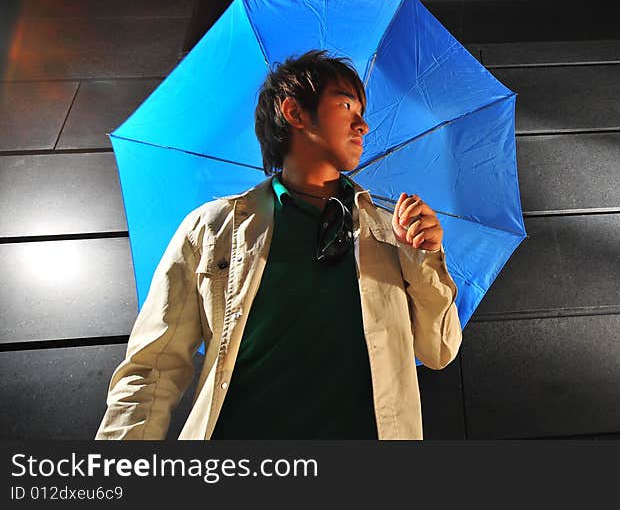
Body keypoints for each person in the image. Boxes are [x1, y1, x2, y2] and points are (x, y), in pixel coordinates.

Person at [95, 49, 462, 440]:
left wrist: (423, 257)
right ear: (294, 112)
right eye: (346, 105)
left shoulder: (391, 233)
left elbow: (439, 351)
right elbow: (151, 369)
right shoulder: (212, 229)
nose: (363, 125)